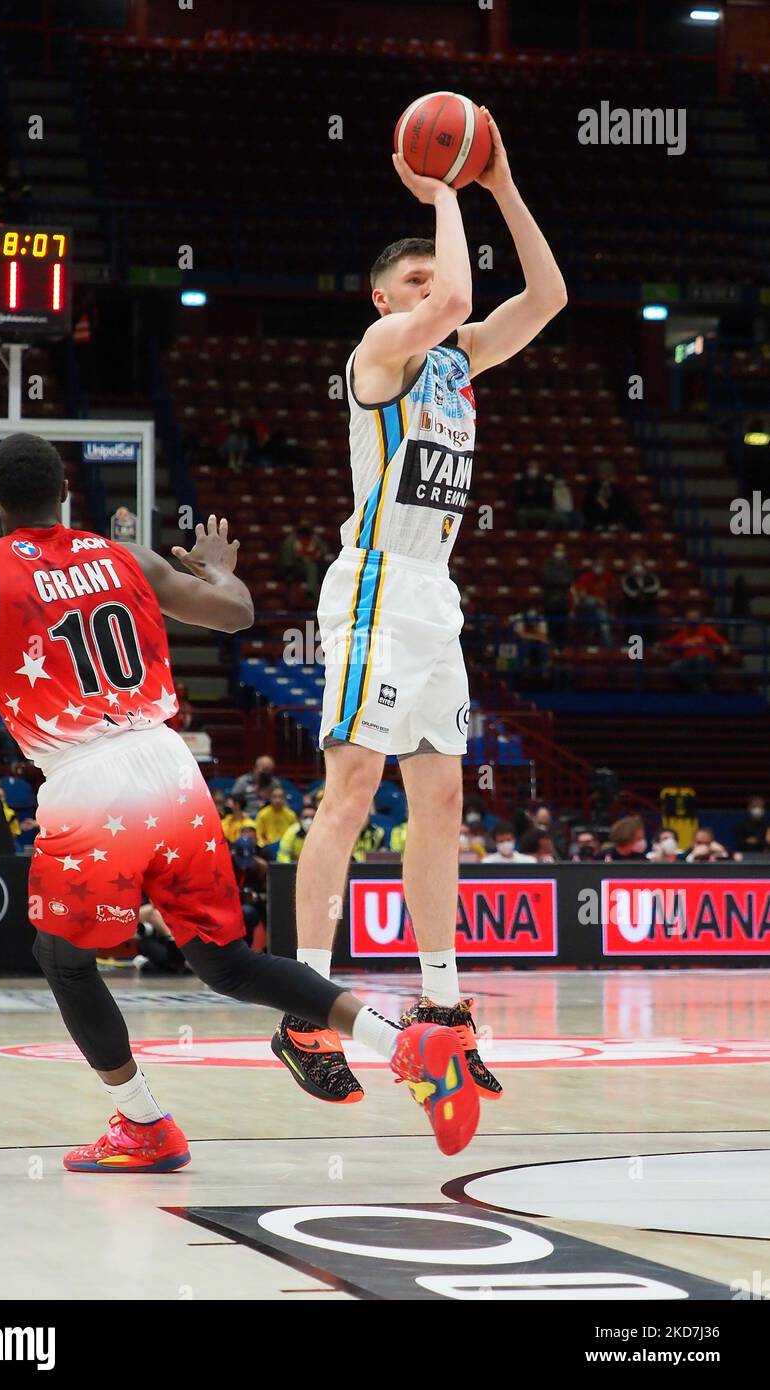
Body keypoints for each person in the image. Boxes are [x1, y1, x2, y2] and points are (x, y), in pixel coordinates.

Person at [0, 432, 481, 1166]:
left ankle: (144, 1123)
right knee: (228, 962)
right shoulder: (128, 557)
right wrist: (217, 570)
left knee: (64, 960)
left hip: (85, 779)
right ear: (67, 497)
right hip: (170, 765)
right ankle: (407, 1043)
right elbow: (236, 614)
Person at [281, 107, 566, 1104]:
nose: (429, 294)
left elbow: (548, 294)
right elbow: (451, 295)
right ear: (381, 299)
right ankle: (308, 1009)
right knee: (351, 788)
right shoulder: (382, 352)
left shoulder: (456, 361)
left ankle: (442, 1007)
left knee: (439, 800)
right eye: (409, 284)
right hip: (372, 583)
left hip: (433, 592)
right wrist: (442, 189)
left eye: (425, 279)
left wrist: (499, 184)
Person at [658, 607, 730, 690]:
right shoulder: (683, 632)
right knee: (673, 667)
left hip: (705, 660)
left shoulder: (706, 629)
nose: (692, 620)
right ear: (686, 619)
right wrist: (660, 645)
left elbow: (719, 640)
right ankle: (700, 687)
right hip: (688, 662)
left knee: (700, 659)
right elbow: (670, 643)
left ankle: (698, 688)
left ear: (699, 619)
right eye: (690, 618)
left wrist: (725, 645)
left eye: (695, 618)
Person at [573, 556, 617, 646]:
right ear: (593, 566)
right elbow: (582, 595)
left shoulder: (608, 577)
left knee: (602, 621)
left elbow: (614, 594)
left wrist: (612, 610)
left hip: (603, 608)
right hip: (586, 608)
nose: (598, 567)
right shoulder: (586, 577)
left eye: (601, 565)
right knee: (592, 603)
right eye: (597, 565)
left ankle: (608, 648)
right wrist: (597, 600)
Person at [620, 551, 660, 644]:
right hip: (633, 610)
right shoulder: (627, 579)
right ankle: (637, 655)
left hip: (649, 609)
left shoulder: (651, 578)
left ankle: (652, 649)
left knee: (653, 626)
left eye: (639, 563)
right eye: (635, 564)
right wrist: (640, 593)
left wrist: (641, 592)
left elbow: (655, 588)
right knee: (636, 629)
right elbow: (629, 593)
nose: (637, 567)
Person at [281, 523, 325, 602]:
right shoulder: (291, 540)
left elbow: (324, 550)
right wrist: (289, 570)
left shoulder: (314, 539)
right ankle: (310, 592)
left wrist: (315, 556)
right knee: (312, 567)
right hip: (296, 566)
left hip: (312, 563)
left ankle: (311, 592)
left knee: (312, 567)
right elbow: (287, 559)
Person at [541, 542, 573, 645]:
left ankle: (560, 647)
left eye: (561, 550)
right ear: (553, 551)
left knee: (562, 627)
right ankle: (550, 646)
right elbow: (547, 579)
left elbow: (569, 580)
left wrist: (557, 581)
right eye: (557, 550)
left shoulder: (567, 566)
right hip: (549, 599)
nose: (559, 552)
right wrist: (560, 581)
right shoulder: (547, 564)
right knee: (551, 626)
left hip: (563, 601)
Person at [254, 784, 298, 850]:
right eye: (274, 797)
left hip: (287, 847)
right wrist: (265, 845)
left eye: (280, 797)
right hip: (269, 847)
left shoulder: (291, 814)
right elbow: (259, 835)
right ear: (269, 798)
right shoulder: (262, 814)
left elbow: (295, 834)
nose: (278, 800)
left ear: (284, 798)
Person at [514, 464, 555, 530]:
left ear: (538, 470)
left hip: (540, 508)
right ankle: (524, 536)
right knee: (520, 514)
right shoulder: (521, 482)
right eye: (531, 468)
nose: (532, 470)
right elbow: (518, 497)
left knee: (553, 517)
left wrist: (535, 492)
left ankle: (544, 534)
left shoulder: (543, 481)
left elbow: (547, 495)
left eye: (534, 468)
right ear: (527, 470)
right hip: (526, 508)